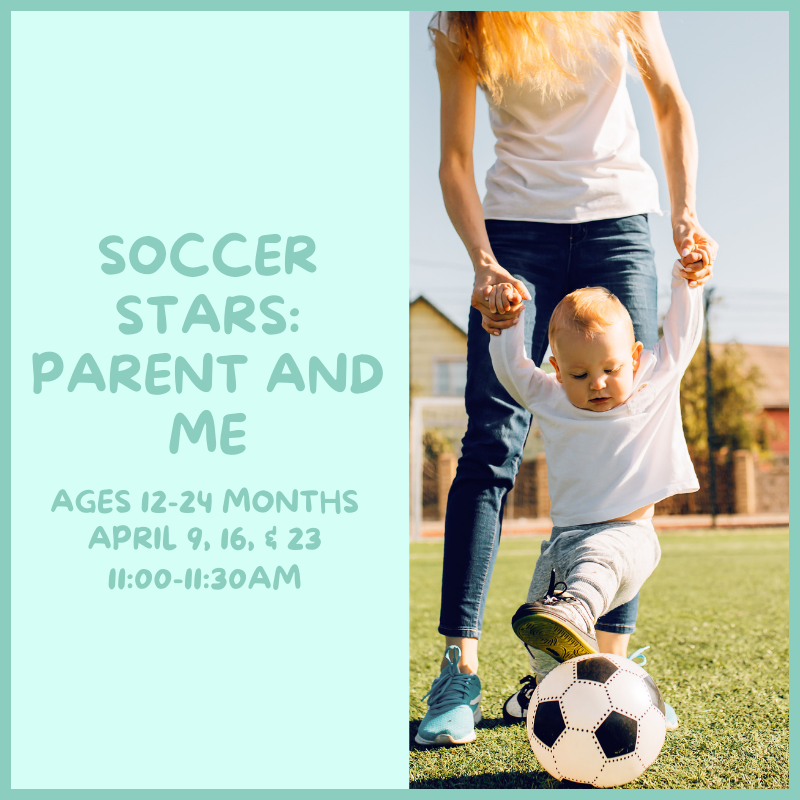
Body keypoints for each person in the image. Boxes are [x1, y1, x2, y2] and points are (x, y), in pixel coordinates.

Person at [416, 10, 717, 747]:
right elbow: (455, 160)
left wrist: (683, 214)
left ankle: (607, 670)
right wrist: (485, 262)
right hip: (517, 229)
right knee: (489, 446)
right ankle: (459, 668)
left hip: (619, 220)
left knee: (631, 429)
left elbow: (670, 105)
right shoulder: (463, 24)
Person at [489, 265, 701, 718]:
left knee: (594, 567)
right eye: (580, 374)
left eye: (610, 368)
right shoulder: (552, 397)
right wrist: (508, 326)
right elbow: (512, 371)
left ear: (637, 356)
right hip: (563, 540)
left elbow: (683, 335)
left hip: (628, 536)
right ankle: (547, 688)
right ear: (558, 371)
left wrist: (688, 282)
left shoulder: (652, 385)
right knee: (540, 629)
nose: (598, 383)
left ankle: (622, 680)